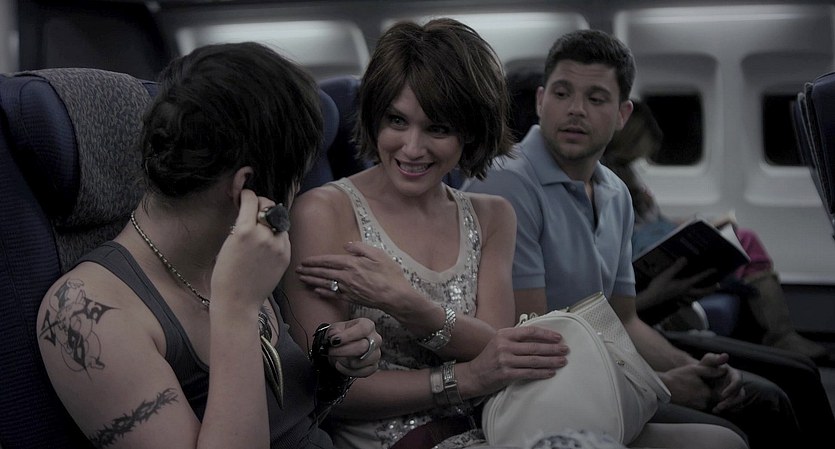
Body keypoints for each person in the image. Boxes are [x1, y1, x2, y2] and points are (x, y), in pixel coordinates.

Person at [285, 19, 746, 449]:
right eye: (397, 121)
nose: (412, 147)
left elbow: (502, 348)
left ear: (471, 132)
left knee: (724, 443)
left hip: (502, 415)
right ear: (374, 119)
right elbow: (329, 389)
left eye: (438, 128)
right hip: (400, 438)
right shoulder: (324, 212)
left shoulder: (491, 215)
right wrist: (467, 378)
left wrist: (407, 304)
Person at [463, 29, 801, 449]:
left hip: (595, 373)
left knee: (774, 395)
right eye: (562, 94)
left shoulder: (615, 193)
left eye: (596, 99)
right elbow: (536, 339)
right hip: (538, 391)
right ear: (540, 101)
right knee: (752, 417)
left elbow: (625, 320)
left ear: (623, 114)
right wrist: (662, 384)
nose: (575, 110)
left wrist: (693, 368)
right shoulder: (507, 183)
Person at [36, 42, 381, 449]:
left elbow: (288, 424)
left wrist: (330, 369)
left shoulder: (235, 249)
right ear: (245, 186)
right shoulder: (87, 314)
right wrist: (236, 308)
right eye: (296, 179)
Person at [601, 100, 829, 362]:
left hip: (659, 244)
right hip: (648, 261)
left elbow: (653, 223)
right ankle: (780, 336)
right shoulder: (609, 184)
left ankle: (781, 334)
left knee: (739, 238)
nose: (640, 159)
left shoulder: (629, 177)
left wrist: (694, 224)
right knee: (745, 241)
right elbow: (637, 236)